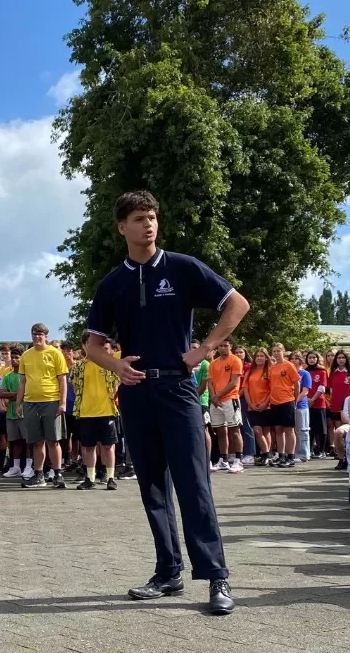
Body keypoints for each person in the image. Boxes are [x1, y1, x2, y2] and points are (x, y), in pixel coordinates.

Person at [86, 190, 249, 615]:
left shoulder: (182, 268)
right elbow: (92, 345)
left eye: (153, 217)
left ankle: (216, 577)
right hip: (137, 394)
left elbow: (237, 303)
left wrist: (207, 348)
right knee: (152, 487)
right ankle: (168, 571)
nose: (149, 224)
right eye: (139, 218)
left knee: (195, 484)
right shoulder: (112, 282)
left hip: (178, 390)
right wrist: (116, 364)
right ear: (122, 226)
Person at [16, 323, 68, 489]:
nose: (37, 337)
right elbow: (23, 381)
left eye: (40, 334)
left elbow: (62, 380)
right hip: (31, 402)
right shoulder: (26, 355)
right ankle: (39, 475)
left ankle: (57, 473)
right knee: (36, 441)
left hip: (51, 400)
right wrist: (19, 402)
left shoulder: (55, 353)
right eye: (34, 334)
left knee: (53, 440)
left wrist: (63, 402)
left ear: (46, 336)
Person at [75, 332, 120, 491]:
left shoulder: (110, 364)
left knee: (108, 446)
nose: (91, 346)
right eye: (87, 343)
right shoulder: (79, 366)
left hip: (106, 410)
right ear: (84, 346)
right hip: (86, 412)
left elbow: (116, 386)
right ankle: (90, 477)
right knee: (88, 447)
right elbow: (76, 388)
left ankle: (110, 478)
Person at [207, 339, 244, 473]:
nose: (223, 348)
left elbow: (234, 382)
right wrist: (213, 397)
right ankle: (224, 460)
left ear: (231, 346)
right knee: (221, 431)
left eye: (225, 346)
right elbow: (209, 382)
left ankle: (238, 460)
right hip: (216, 401)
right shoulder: (214, 363)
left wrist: (217, 396)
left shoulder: (235, 360)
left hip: (230, 398)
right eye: (220, 346)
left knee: (235, 430)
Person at [269, 343, 300, 468]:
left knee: (289, 429)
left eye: (278, 351)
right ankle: (281, 455)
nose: (276, 353)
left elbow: (296, 383)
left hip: (287, 400)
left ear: (283, 351)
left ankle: (290, 456)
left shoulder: (289, 365)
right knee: (278, 430)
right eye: (274, 351)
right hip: (275, 401)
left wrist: (295, 399)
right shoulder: (272, 367)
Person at [1, 345, 29, 478]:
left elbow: (27, 393)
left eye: (17, 357)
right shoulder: (7, 376)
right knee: (15, 441)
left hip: (25, 412)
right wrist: (18, 394)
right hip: (11, 414)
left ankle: (29, 466)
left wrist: (12, 395)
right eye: (12, 357)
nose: (13, 360)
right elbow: (1, 393)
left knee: (28, 441)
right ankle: (16, 467)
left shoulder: (27, 375)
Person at [243, 349, 273, 465]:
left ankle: (265, 455)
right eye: (257, 356)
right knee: (257, 430)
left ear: (266, 358)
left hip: (267, 405)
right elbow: (245, 388)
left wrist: (265, 403)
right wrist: (250, 403)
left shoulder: (270, 371)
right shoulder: (250, 372)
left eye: (262, 356)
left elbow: (272, 390)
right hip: (253, 406)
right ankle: (266, 454)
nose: (259, 358)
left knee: (266, 431)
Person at [232, 345, 256, 464]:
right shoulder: (232, 365)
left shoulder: (248, 367)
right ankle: (237, 452)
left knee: (246, 425)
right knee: (236, 426)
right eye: (236, 352)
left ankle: (250, 452)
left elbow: (246, 384)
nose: (238, 354)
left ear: (245, 354)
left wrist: (238, 394)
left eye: (241, 352)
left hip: (244, 398)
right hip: (233, 397)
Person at [328, 350, 350, 469]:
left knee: (347, 434)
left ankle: (348, 457)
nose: (341, 360)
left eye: (343, 357)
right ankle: (341, 458)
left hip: (348, 406)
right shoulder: (333, 373)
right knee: (338, 432)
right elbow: (331, 390)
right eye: (339, 358)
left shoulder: (349, 372)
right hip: (336, 405)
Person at [305, 351, 328, 458]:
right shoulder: (305, 371)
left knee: (321, 428)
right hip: (306, 402)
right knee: (310, 428)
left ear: (317, 359)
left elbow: (322, 387)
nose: (312, 359)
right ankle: (310, 450)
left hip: (319, 403)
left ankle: (322, 450)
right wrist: (307, 399)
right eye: (310, 357)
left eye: (314, 357)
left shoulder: (322, 371)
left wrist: (313, 399)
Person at [60, 341, 79, 470]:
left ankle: (75, 459)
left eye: (69, 350)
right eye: (64, 350)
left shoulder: (78, 367)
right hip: (64, 406)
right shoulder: (60, 368)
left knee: (77, 435)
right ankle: (66, 458)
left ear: (73, 352)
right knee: (64, 435)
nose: (66, 353)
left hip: (77, 405)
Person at [290, 351, 312, 462]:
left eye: (296, 358)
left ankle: (303, 454)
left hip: (301, 405)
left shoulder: (305, 373)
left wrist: (294, 401)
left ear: (300, 360)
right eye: (292, 358)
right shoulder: (289, 372)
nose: (294, 360)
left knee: (302, 430)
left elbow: (305, 391)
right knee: (292, 430)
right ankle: (293, 453)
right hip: (289, 405)